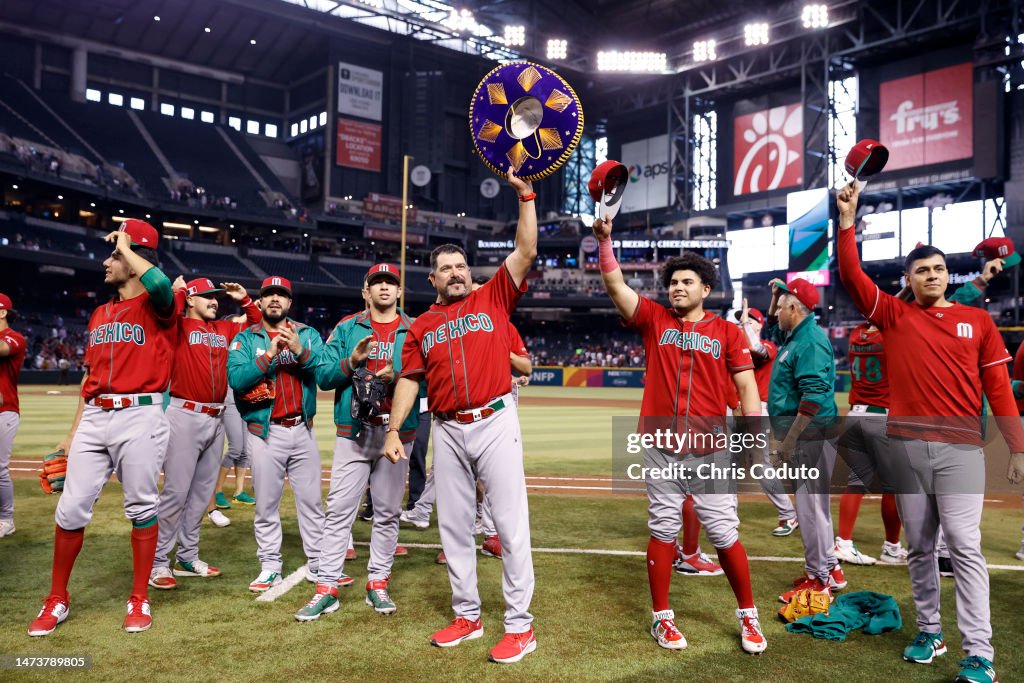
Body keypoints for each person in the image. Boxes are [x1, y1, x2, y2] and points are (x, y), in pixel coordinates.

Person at [837, 181, 1024, 683]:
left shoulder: (977, 320)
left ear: (949, 274)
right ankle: (930, 631)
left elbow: (1000, 390)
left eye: (939, 268)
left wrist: (1017, 448)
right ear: (909, 280)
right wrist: (848, 221)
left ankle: (979, 652)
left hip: (961, 447)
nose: (933, 275)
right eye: (922, 270)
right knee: (919, 547)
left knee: (963, 543)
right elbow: (852, 276)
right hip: (907, 447)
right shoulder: (894, 317)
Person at [383, 167, 539, 664]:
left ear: (470, 271)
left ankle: (520, 626)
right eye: (446, 268)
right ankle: (467, 615)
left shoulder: (491, 297)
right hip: (447, 427)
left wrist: (526, 197)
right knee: (452, 528)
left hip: (495, 419)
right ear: (432, 279)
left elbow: (526, 251)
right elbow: (408, 378)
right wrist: (393, 428)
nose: (455, 273)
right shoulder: (421, 325)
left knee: (510, 527)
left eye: (461, 266)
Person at [593, 215, 767, 654]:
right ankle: (662, 618)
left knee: (725, 534)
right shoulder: (654, 319)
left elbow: (746, 385)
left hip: (712, 447)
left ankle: (748, 615)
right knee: (663, 529)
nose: (677, 287)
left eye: (687, 282)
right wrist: (606, 241)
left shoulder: (727, 332)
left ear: (706, 289)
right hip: (661, 447)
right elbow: (617, 287)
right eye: (673, 282)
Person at [29, 220, 174, 636]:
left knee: (142, 506)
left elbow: (162, 286)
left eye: (114, 255)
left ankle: (139, 597)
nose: (106, 262)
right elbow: (87, 376)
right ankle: (57, 598)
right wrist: (73, 432)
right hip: (95, 415)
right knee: (71, 508)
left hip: (141, 414)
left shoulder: (160, 303)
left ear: (135, 258)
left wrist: (128, 246)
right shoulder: (99, 313)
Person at [293, 264, 417, 621]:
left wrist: (399, 378)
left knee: (389, 512)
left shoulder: (413, 330)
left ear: (398, 292)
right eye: (376, 283)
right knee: (339, 512)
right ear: (365, 291)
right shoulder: (347, 328)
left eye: (389, 283)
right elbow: (324, 377)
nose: (383, 288)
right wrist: (352, 361)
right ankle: (327, 587)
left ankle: (377, 583)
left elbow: (427, 382)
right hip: (354, 432)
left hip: (397, 433)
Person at [148, 278, 260, 590]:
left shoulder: (224, 331)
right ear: (191, 301)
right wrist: (179, 291)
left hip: (217, 418)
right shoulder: (178, 326)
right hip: (184, 415)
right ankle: (158, 562)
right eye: (207, 297)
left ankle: (187, 556)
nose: (214, 301)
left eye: (215, 297)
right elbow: (164, 311)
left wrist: (244, 300)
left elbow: (258, 324)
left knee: (200, 495)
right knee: (175, 493)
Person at [227, 276, 326, 593]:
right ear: (260, 301)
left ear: (289, 303)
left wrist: (299, 350)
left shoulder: (307, 334)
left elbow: (324, 373)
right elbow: (237, 379)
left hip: (302, 429)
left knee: (311, 502)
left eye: (280, 295)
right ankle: (270, 565)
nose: (274, 299)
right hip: (264, 433)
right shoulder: (245, 339)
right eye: (269, 294)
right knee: (266, 505)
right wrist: (268, 354)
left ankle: (319, 562)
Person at [765, 277, 845, 604]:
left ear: (794, 308)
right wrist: (776, 297)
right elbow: (773, 329)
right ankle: (829, 570)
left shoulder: (809, 341)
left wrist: (787, 443)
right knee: (814, 508)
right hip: (809, 436)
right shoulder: (797, 334)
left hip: (810, 436)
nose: (777, 314)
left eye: (782, 307)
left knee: (811, 510)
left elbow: (812, 397)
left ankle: (818, 581)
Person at [735, 301, 799, 537]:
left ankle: (788, 513)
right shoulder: (733, 348)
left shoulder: (768, 346)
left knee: (759, 464)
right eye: (741, 320)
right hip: (737, 411)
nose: (742, 323)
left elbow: (756, 349)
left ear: (759, 325)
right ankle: (727, 515)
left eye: (749, 320)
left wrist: (744, 325)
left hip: (759, 411)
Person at [0, 293, 26, 538]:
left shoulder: (13, 337)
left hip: (4, 410)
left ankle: (6, 519)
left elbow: (2, 349)